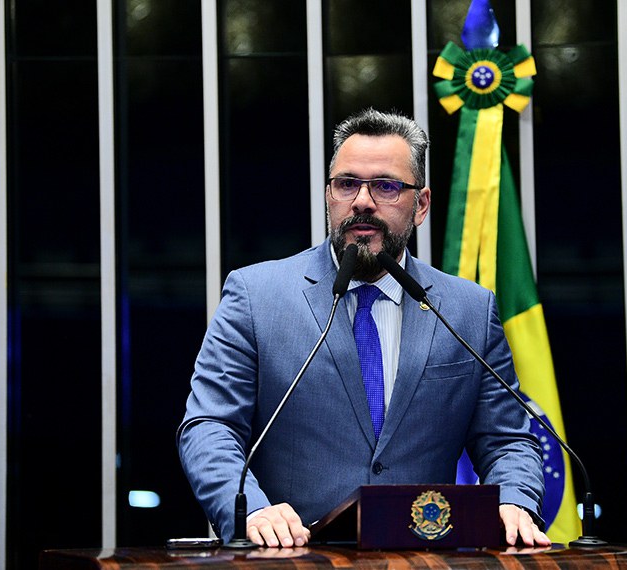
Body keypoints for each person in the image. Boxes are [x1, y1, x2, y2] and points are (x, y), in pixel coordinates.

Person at [177, 108, 550, 549]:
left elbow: (508, 440)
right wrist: (251, 508)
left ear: (421, 205)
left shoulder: (467, 310)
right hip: (288, 560)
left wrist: (513, 501)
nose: (362, 202)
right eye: (347, 184)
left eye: (386, 187)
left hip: (423, 561)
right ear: (329, 195)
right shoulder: (256, 296)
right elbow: (209, 426)